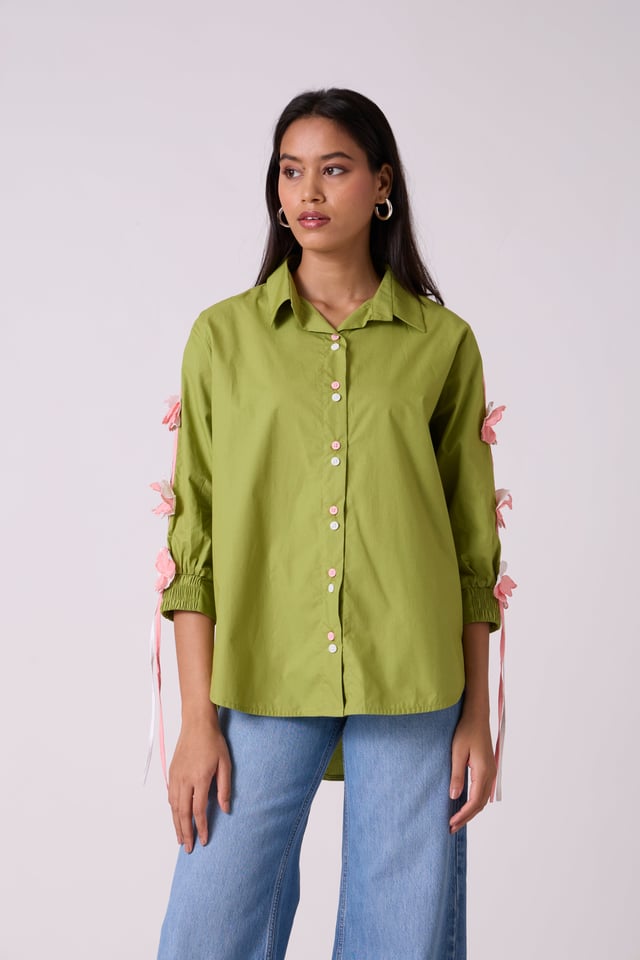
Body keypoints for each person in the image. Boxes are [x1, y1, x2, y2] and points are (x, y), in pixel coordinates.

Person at [154, 87, 503, 960]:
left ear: (381, 184)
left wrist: (476, 713)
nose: (307, 192)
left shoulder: (442, 344)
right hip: (261, 671)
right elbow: (193, 543)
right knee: (208, 927)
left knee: (398, 937)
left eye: (335, 169)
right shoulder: (224, 339)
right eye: (290, 170)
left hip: (413, 678)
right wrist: (196, 720)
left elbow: (471, 548)